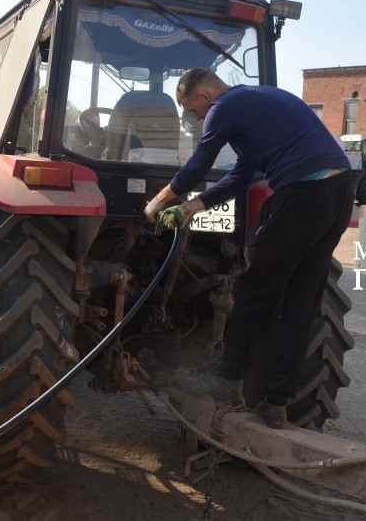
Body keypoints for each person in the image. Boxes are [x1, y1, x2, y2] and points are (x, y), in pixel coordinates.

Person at [144, 68, 353, 428]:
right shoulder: (261, 100)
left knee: (254, 289)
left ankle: (228, 379)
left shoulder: (222, 108)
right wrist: (191, 207)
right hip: (339, 192)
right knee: (302, 302)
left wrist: (158, 202)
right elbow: (243, 174)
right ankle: (276, 404)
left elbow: (197, 166)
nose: (196, 118)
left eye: (192, 109)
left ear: (204, 96)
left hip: (300, 193)